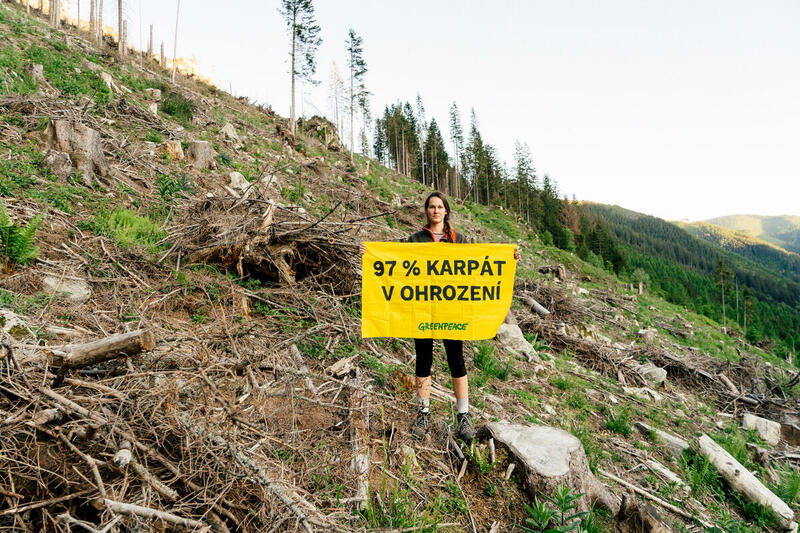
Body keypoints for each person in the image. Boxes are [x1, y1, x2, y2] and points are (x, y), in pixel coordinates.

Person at [361, 191, 520, 442]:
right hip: (422, 310)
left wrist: (510, 257)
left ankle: (463, 416)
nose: (435, 210)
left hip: (451, 310)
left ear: (446, 211)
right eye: (431, 207)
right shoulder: (415, 239)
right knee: (423, 360)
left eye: (439, 207)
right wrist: (369, 254)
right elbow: (394, 261)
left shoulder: (460, 240)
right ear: (427, 211)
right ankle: (423, 413)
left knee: (456, 360)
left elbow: (481, 263)